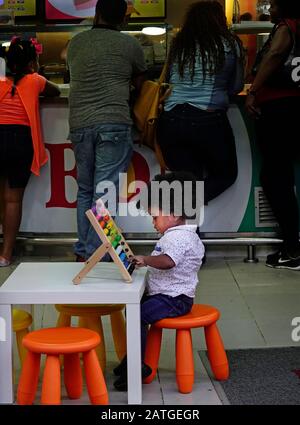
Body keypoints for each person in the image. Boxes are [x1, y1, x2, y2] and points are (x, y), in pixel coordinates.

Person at [67, 0, 147, 262]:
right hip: (113, 121)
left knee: (86, 190)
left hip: (79, 123)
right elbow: (140, 80)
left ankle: (84, 251)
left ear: (97, 13)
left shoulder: (76, 43)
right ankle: (96, 255)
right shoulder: (130, 45)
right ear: (123, 19)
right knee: (105, 191)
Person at [113, 171, 205, 391]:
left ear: (172, 214)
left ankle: (136, 366)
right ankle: (131, 358)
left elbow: (168, 261)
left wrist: (145, 259)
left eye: (154, 217)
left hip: (175, 300)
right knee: (134, 309)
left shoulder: (178, 237)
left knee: (137, 314)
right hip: (168, 295)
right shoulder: (179, 233)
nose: (153, 223)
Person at [157, 1, 244, 205]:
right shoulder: (231, 44)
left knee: (186, 184)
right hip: (208, 121)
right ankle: (185, 206)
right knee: (225, 175)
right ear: (219, 20)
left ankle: (181, 219)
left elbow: (169, 78)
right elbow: (237, 86)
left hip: (171, 119)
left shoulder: (180, 44)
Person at [246, 0, 300, 270]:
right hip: (293, 110)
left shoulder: (287, 27)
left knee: (275, 176)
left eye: (274, 4)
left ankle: (292, 247)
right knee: (283, 175)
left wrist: (254, 90)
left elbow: (277, 53)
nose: (269, 9)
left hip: (280, 109)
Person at [0, 38, 60, 267]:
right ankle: (6, 255)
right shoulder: (36, 81)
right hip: (20, 141)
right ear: (31, 62)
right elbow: (55, 91)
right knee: (12, 200)